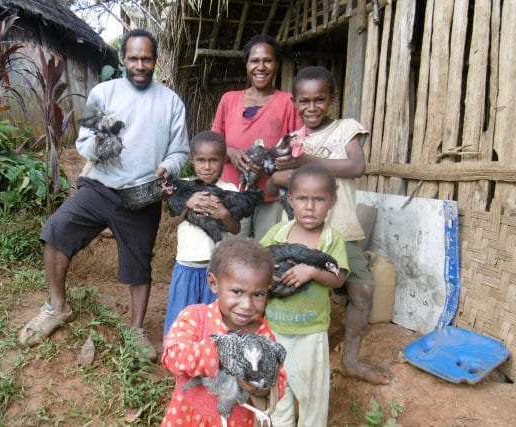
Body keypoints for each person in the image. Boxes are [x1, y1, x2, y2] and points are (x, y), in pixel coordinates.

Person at [17, 29, 190, 362]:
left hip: (142, 194)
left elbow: (180, 149)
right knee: (57, 230)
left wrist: (168, 166)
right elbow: (83, 142)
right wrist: (101, 144)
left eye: (147, 59)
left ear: (155, 60)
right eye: (134, 58)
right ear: (123, 59)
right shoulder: (104, 93)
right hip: (100, 186)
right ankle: (57, 307)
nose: (140, 65)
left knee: (139, 265)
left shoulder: (170, 102)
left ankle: (136, 329)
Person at [271, 65, 393, 384]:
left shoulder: (345, 128)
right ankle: (293, 357)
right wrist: (295, 171)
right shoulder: (292, 139)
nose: (312, 108)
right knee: (299, 291)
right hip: (303, 233)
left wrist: (306, 164)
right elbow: (275, 177)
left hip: (343, 229)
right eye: (304, 101)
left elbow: (356, 166)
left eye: (319, 100)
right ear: (294, 102)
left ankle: (350, 360)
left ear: (333, 99)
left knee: (362, 290)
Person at [161, 237, 286, 426]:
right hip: (187, 419)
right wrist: (222, 351)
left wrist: (259, 388)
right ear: (213, 283)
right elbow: (173, 355)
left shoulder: (263, 334)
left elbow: (279, 380)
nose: (247, 305)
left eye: (258, 294)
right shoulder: (196, 317)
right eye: (237, 292)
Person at [261, 164, 349, 426]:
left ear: (333, 200)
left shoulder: (332, 239)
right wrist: (269, 276)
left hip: (311, 334)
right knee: (277, 394)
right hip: (274, 330)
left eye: (319, 199)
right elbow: (257, 266)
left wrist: (311, 272)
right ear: (290, 200)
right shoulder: (276, 233)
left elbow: (339, 277)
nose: (309, 207)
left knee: (312, 397)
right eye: (301, 198)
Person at [211, 34, 302, 240]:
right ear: (246, 65)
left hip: (271, 196)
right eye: (255, 61)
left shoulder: (288, 102)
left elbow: (297, 148)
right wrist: (231, 153)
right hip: (233, 193)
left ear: (276, 64)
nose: (261, 67)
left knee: (268, 254)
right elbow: (212, 145)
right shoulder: (229, 100)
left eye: (268, 61)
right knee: (232, 254)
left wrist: (270, 161)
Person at [162, 130, 240, 337]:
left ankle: (209, 360)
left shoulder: (230, 189)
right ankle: (180, 360)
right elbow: (171, 222)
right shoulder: (181, 186)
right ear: (192, 160)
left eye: (213, 160)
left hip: (216, 269)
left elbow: (235, 228)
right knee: (182, 319)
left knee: (213, 321)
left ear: (224, 160)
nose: (207, 166)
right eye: (201, 160)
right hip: (186, 267)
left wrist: (223, 214)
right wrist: (187, 203)